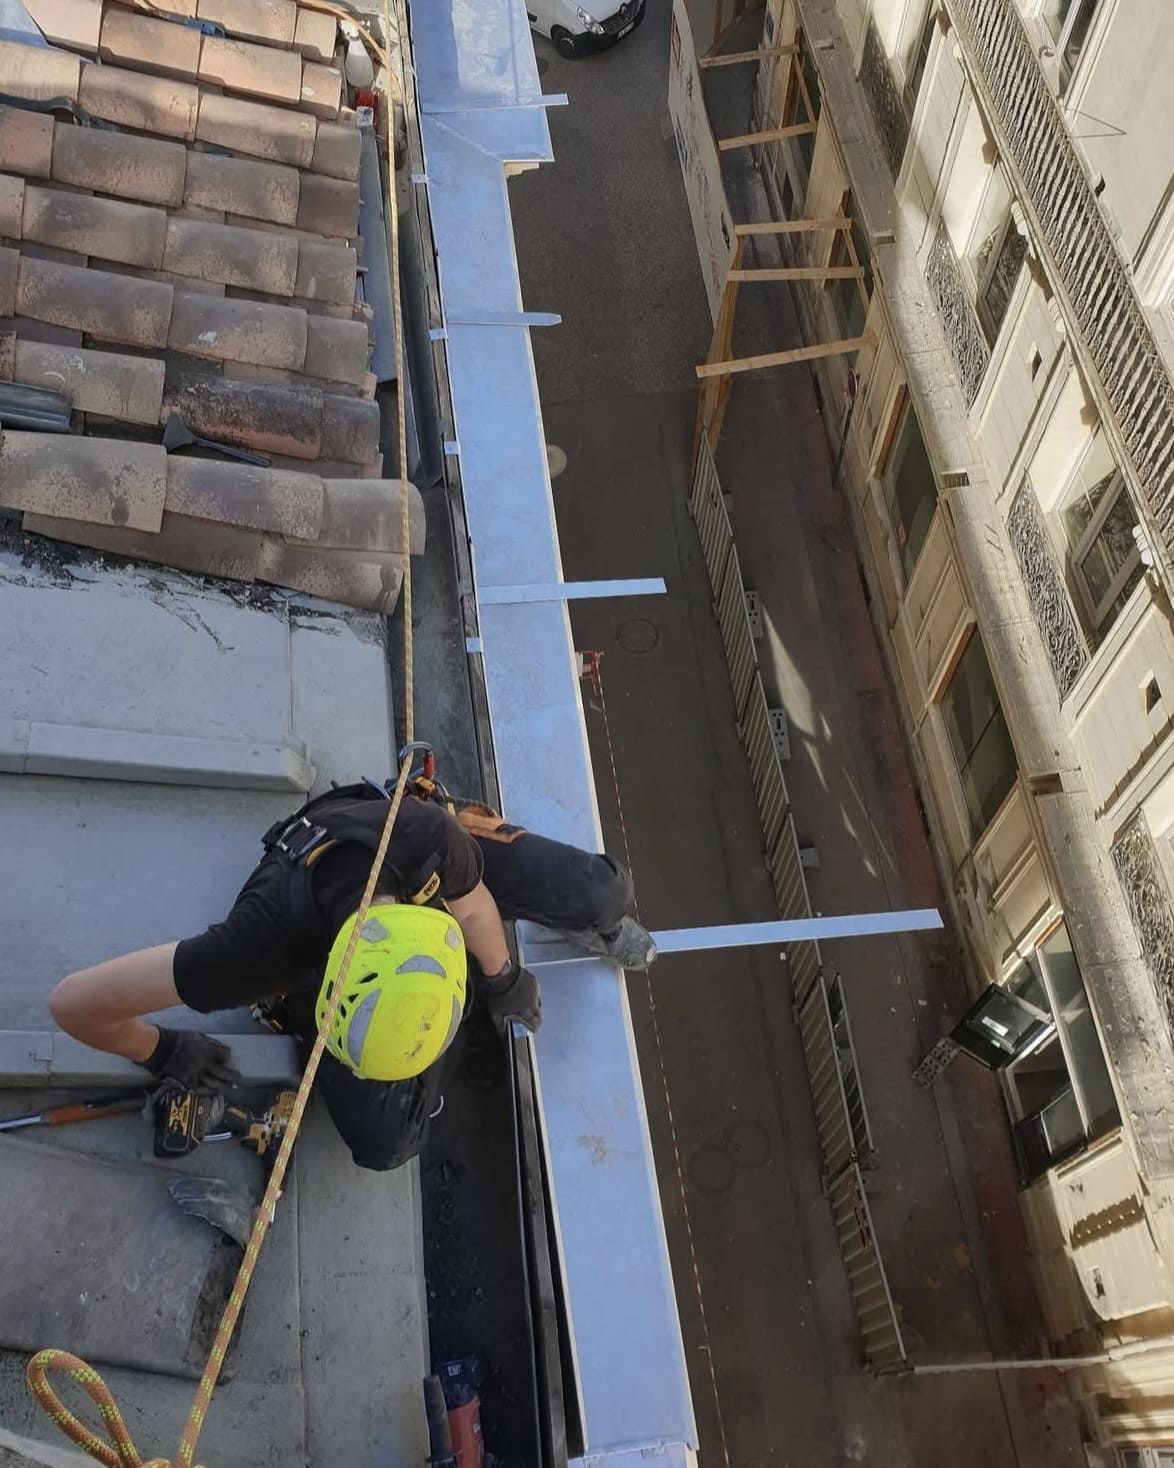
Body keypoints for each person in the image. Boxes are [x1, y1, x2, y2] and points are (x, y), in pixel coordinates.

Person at [48, 778, 656, 1172]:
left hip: (402, 846)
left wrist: (502, 978)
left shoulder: (425, 838)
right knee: (388, 1142)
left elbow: (472, 908)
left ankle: (587, 924)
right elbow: (73, 1003)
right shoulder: (252, 951)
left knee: (604, 893)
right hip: (312, 917)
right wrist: (161, 1050)